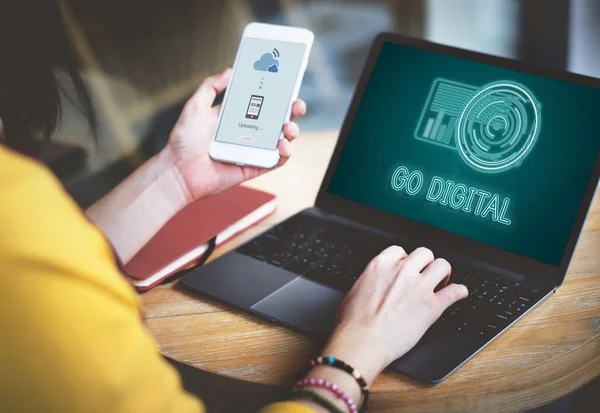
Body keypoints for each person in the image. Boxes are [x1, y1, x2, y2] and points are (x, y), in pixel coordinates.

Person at [0, 2, 468, 412]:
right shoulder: (18, 218)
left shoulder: (21, 208)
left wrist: (175, 176)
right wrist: (359, 350)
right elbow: (33, 268)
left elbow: (54, 255)